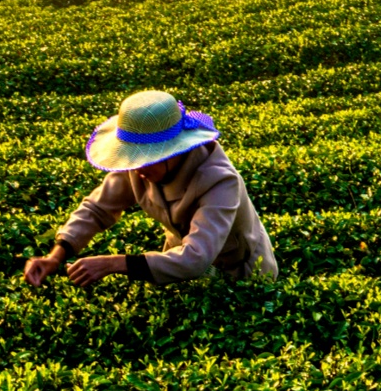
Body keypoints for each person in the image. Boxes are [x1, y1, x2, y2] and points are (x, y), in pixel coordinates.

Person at [24, 89, 278, 288]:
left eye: (146, 159)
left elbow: (196, 258)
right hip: (176, 265)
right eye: (132, 159)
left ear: (175, 150)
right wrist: (56, 255)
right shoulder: (139, 168)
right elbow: (96, 208)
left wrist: (115, 263)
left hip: (239, 272)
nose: (137, 170)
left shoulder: (219, 182)